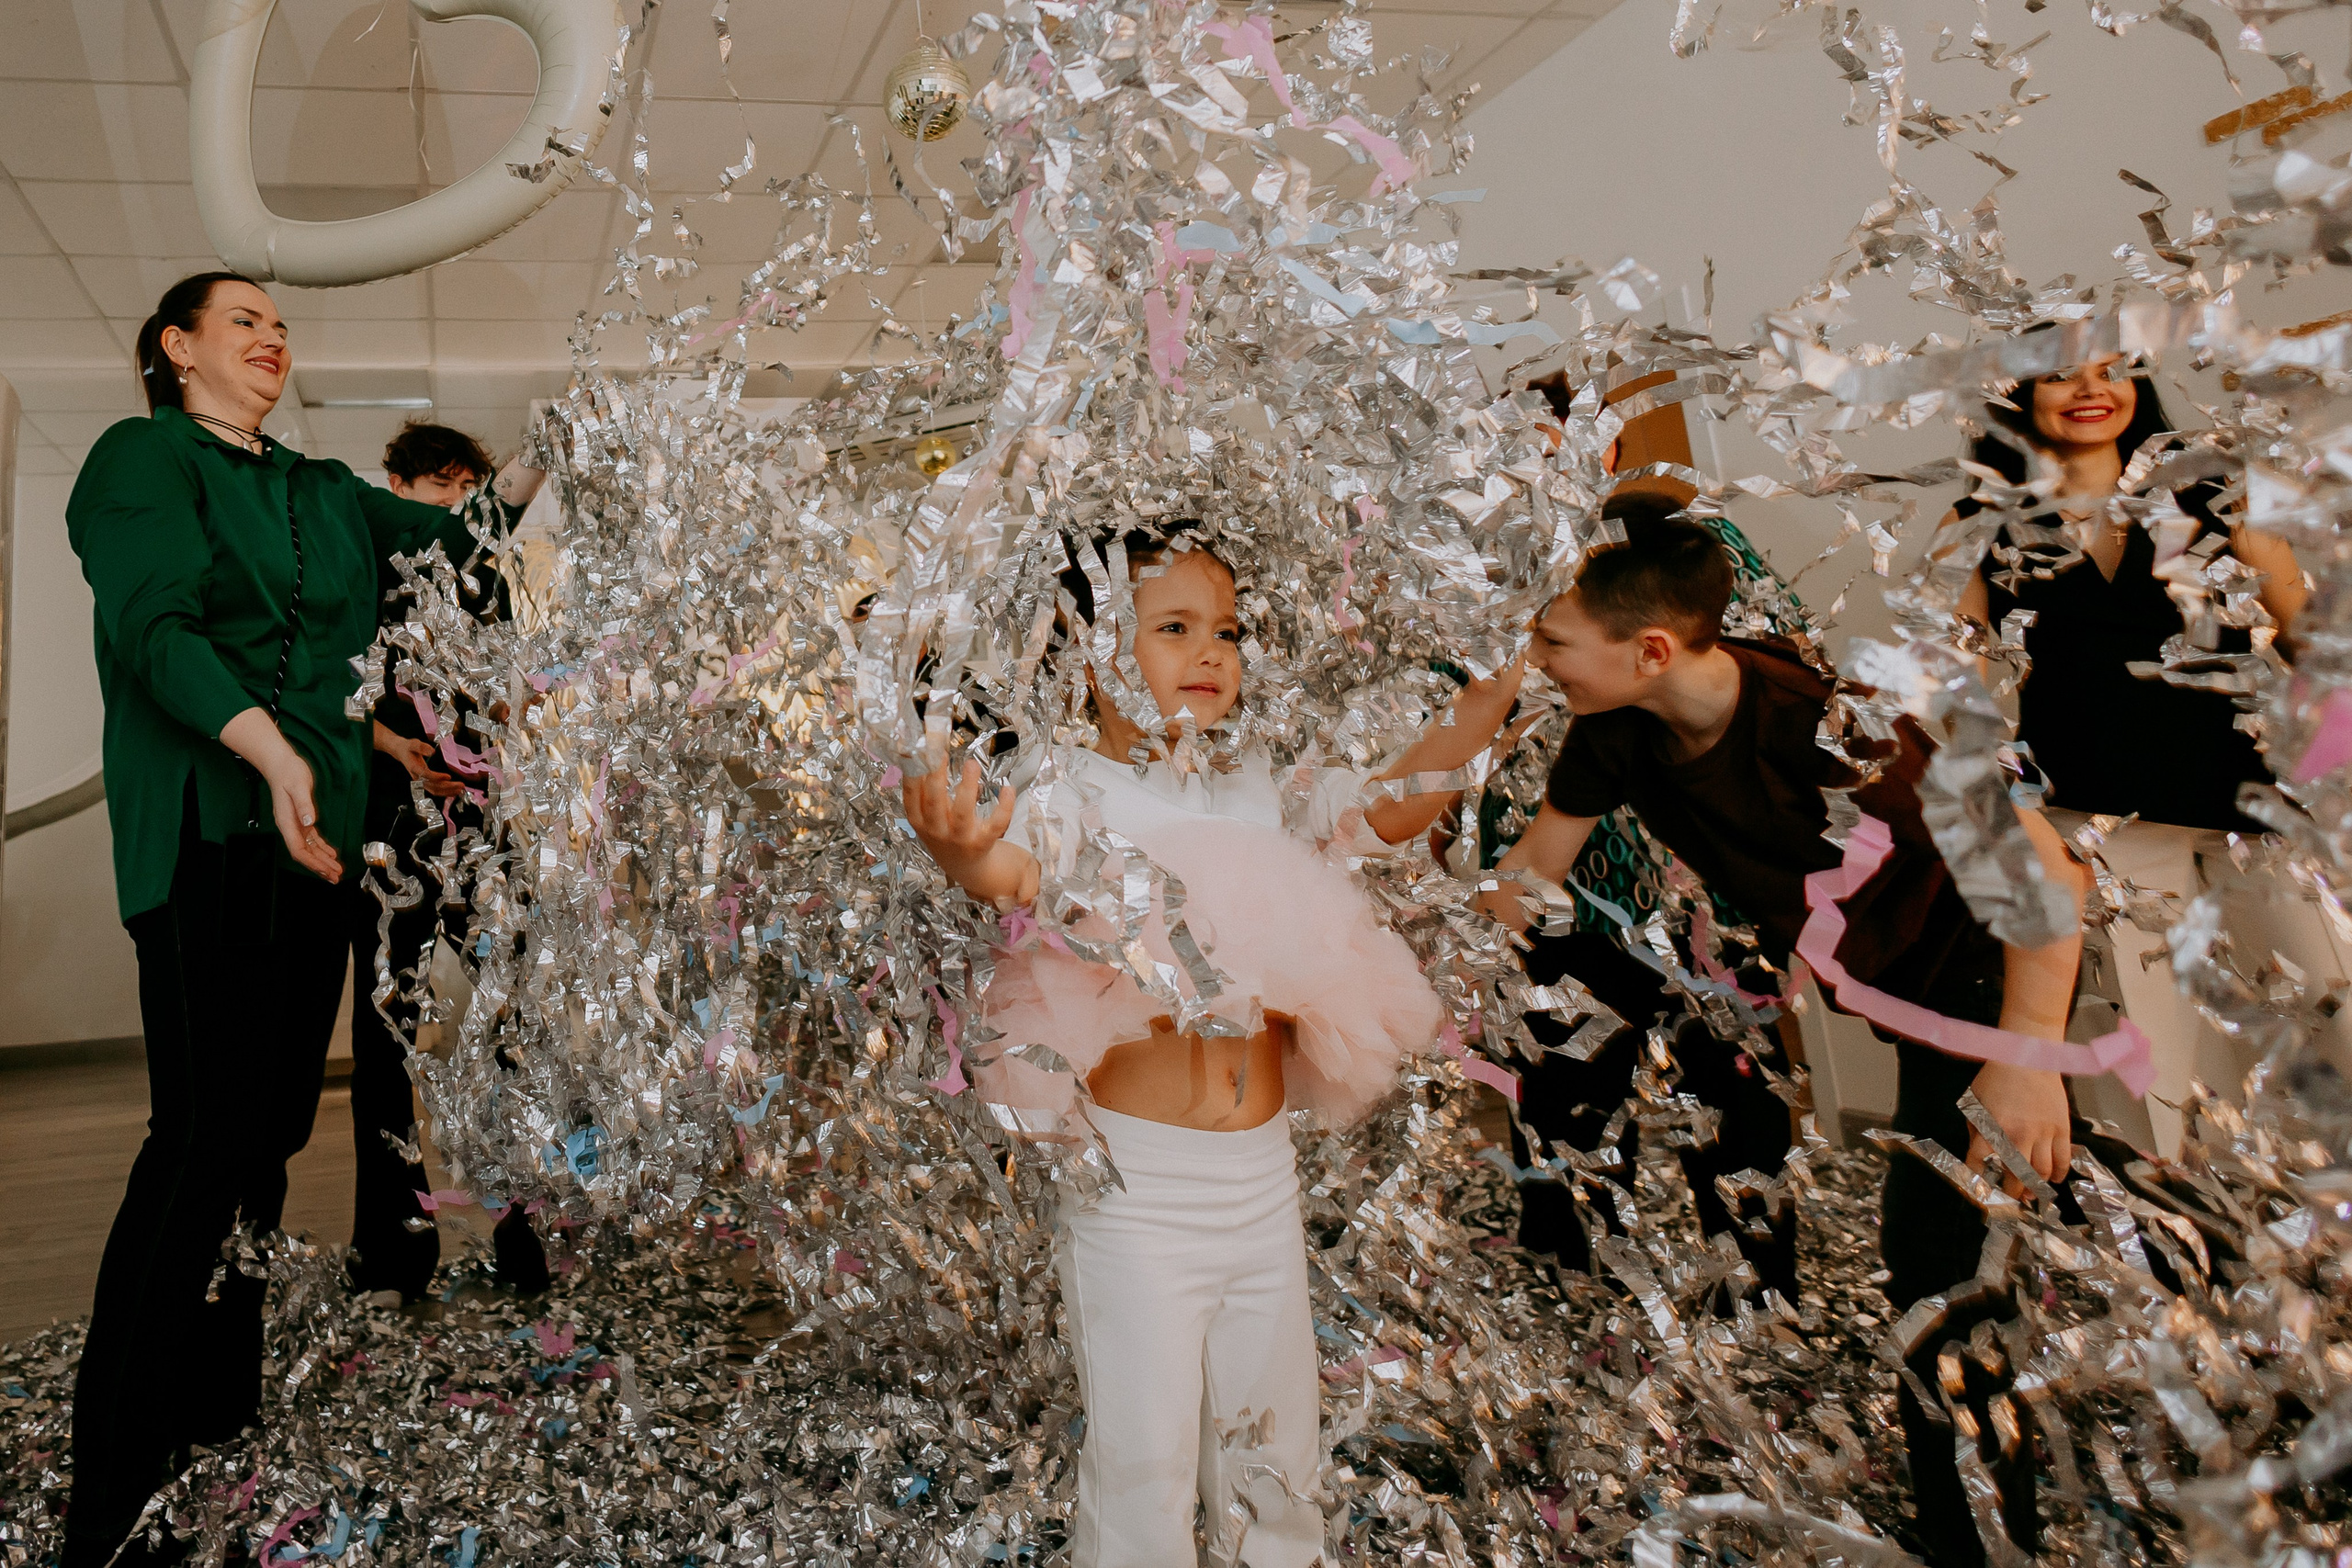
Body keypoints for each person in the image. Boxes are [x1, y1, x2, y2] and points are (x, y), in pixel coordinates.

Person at [899, 523, 1518, 1568]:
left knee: (1276, 1453)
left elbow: (1393, 804)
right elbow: (1019, 875)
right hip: (1141, 1195)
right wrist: (962, 853)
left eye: (1225, 630)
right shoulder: (1069, 789)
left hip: (1259, 1180)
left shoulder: (1257, 789)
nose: (1211, 653)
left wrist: (1498, 686)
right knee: (1142, 1465)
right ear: (1088, 651)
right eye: (1174, 628)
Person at [1480, 514, 2088, 1568]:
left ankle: (1983, 1548)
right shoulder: (1616, 728)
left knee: (1936, 1272)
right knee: (2043, 1209)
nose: (1539, 661)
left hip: (1989, 984)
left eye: (1553, 641)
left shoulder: (1827, 729)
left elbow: (2049, 878)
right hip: (1901, 997)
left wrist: (2028, 1058)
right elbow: (1531, 874)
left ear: (1650, 650)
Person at [61, 273, 526, 1567]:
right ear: (177, 346)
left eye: (279, 324)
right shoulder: (143, 457)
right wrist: (270, 750)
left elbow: (459, 539)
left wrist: (556, 448)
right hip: (209, 831)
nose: (272, 337)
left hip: (314, 851)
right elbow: (154, 628)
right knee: (201, 1140)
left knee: (267, 1134)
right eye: (242, 321)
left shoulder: (321, 489)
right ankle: (114, 1482)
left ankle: (217, 1401)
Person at [1956, 353, 2319, 1155]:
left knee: (2331, 1014)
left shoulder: (2218, 491)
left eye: (2114, 368)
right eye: (2064, 373)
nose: (2093, 389)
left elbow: (2313, 641)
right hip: (2099, 834)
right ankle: (2185, 1224)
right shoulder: (1981, 520)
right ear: (2019, 393)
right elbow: (1957, 693)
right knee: (2148, 1080)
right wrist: (2007, 801)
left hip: (2256, 813)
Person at [345, 421, 549, 1303]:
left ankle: (521, 1231)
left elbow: (501, 694)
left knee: (511, 1028)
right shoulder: (360, 574)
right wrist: (396, 749)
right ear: (397, 490)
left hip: (482, 829)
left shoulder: (484, 582)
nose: (457, 511)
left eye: (469, 493)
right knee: (387, 1039)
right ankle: (394, 1251)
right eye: (441, 491)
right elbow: (334, 696)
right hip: (390, 828)